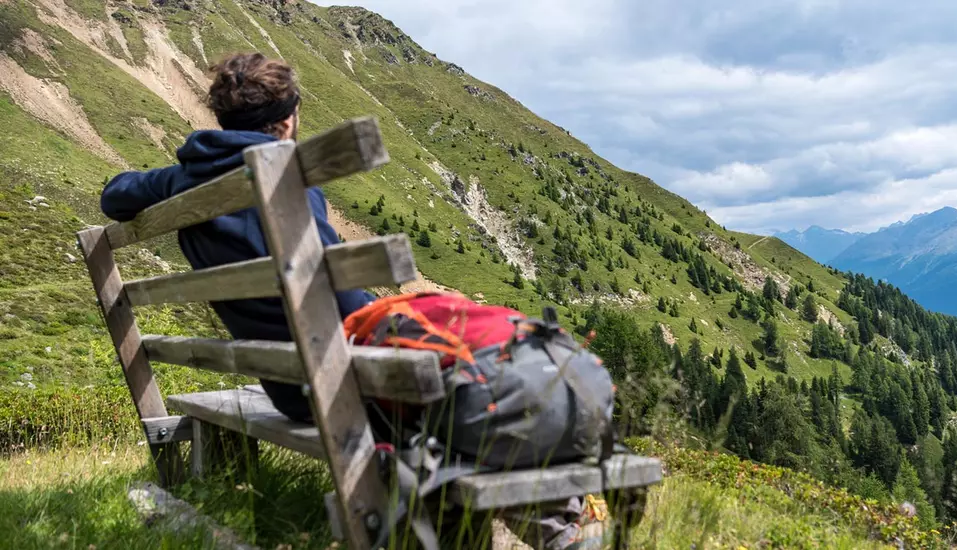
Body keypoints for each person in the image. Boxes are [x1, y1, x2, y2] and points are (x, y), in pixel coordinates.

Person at [99, 52, 602, 550]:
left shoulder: (186, 177)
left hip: (287, 383)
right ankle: (561, 531)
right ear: (287, 120)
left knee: (457, 388)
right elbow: (340, 302)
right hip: (338, 379)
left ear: (225, 117)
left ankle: (542, 528)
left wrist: (171, 176)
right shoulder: (287, 177)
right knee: (475, 385)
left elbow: (115, 194)